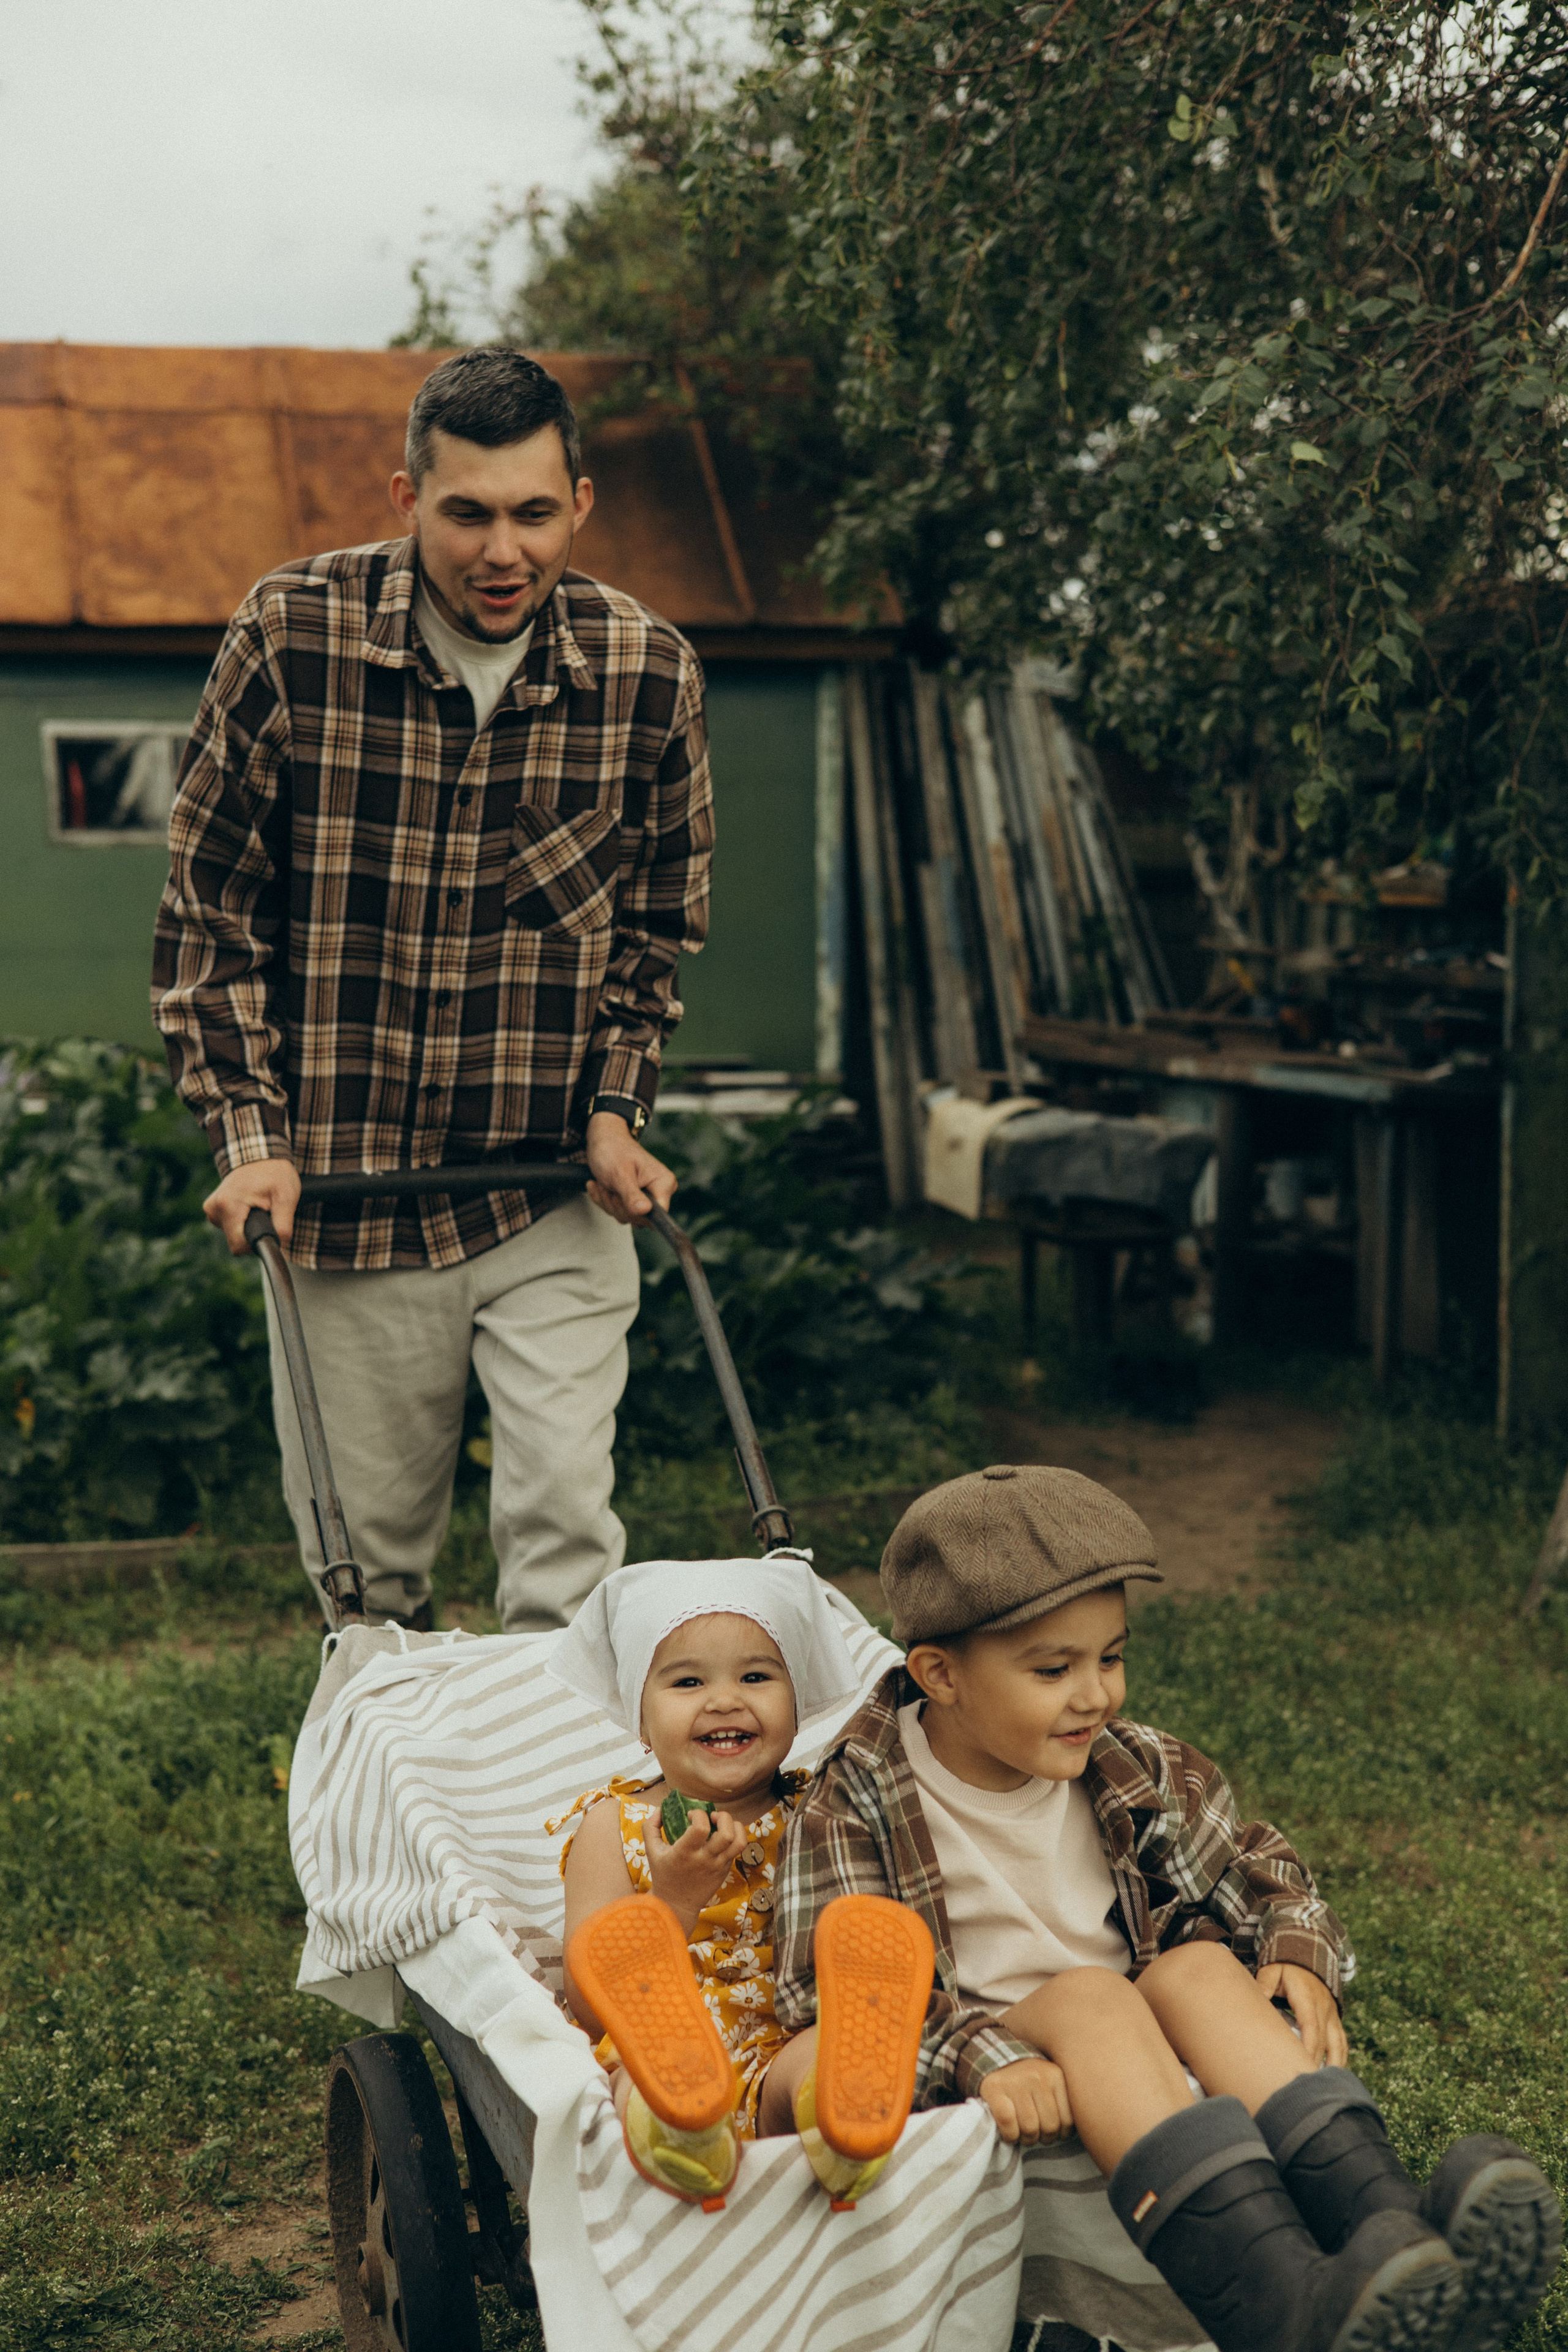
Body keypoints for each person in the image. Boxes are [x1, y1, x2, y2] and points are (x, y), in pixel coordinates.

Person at [151, 347, 712, 1633]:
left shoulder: (648, 674)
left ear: (580, 504)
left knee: (568, 1551)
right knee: (370, 1585)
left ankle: (555, 1766)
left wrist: (616, 1111)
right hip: (345, 1202)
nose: (502, 551)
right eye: (467, 513)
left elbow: (651, 936)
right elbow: (208, 917)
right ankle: (384, 1759)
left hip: (548, 1194)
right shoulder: (291, 637)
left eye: (533, 513)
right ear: (406, 499)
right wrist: (250, 1137)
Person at [774, 1465, 1561, 2352]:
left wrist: (1295, 1945)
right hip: (988, 2044)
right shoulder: (855, 1802)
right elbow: (834, 2009)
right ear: (940, 1675)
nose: (1095, 1695)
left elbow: (1253, 1864)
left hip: (1130, 2033)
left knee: (1196, 1969)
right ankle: (1276, 2304)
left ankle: (1397, 2232)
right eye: (1054, 1669)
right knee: (1093, 1996)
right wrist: (982, 2057)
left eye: (1110, 1658)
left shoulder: (1132, 1765)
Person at [546, 1556, 932, 2208]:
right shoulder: (615, 1826)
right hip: (659, 2047)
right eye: (687, 1681)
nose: (725, 1700)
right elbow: (588, 1999)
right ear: (641, 1720)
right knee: (641, 2085)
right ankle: (688, 2132)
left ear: (797, 1705)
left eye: (756, 1676)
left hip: (784, 2037)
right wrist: (674, 1898)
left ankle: (843, 2129)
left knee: (828, 2057)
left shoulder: (823, 1808)